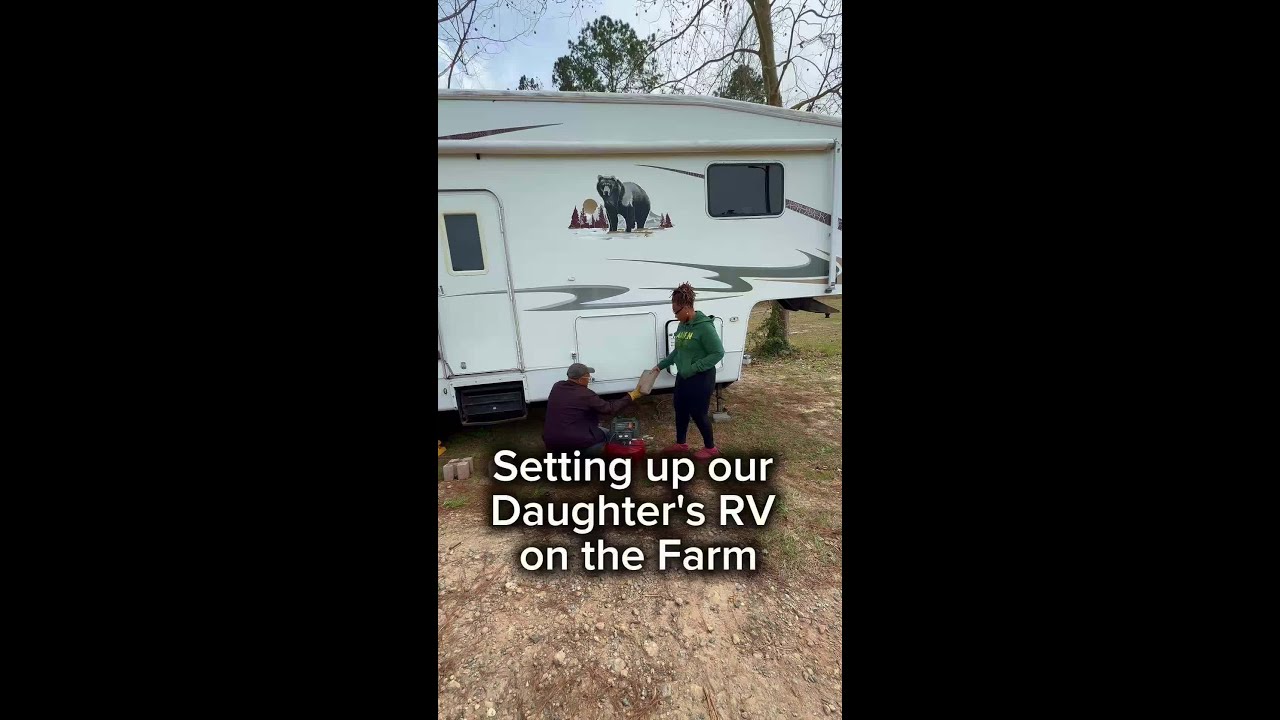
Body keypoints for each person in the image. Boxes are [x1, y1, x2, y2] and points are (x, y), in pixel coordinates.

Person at [653, 282, 725, 459]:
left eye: (676, 312)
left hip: (701, 377)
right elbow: (678, 351)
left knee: (698, 413)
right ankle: (681, 443)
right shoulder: (682, 325)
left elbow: (718, 353)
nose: (675, 316)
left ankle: (710, 448)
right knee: (680, 408)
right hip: (683, 376)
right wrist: (660, 365)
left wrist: (694, 368)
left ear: (686, 308)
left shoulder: (705, 326)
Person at [543, 363, 644, 457]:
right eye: (588, 377)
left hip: (552, 441)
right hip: (573, 442)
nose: (589, 379)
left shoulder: (557, 386)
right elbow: (609, 409)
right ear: (580, 380)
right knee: (611, 435)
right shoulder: (584, 394)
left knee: (598, 429)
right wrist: (631, 396)